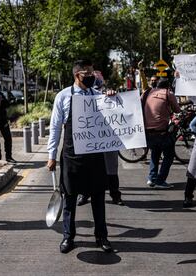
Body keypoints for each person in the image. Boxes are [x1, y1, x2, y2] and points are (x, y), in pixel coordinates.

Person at [47, 59, 113, 254]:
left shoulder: (99, 96)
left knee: (98, 197)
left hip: (94, 157)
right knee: (69, 198)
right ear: (78, 75)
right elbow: (55, 128)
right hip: (71, 156)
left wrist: (112, 97)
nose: (93, 76)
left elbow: (113, 115)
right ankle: (68, 237)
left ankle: (101, 236)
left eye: (93, 73)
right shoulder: (63, 96)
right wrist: (51, 156)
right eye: (89, 73)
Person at [77, 71, 124, 206]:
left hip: (107, 139)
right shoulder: (80, 96)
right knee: (87, 169)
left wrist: (111, 95)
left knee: (111, 169)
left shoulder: (106, 95)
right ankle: (85, 194)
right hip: (90, 140)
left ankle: (115, 194)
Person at [142, 78, 180, 189]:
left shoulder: (147, 92)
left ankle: (152, 178)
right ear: (167, 86)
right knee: (169, 156)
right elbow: (177, 110)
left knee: (155, 153)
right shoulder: (168, 93)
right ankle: (160, 180)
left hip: (147, 132)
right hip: (162, 132)